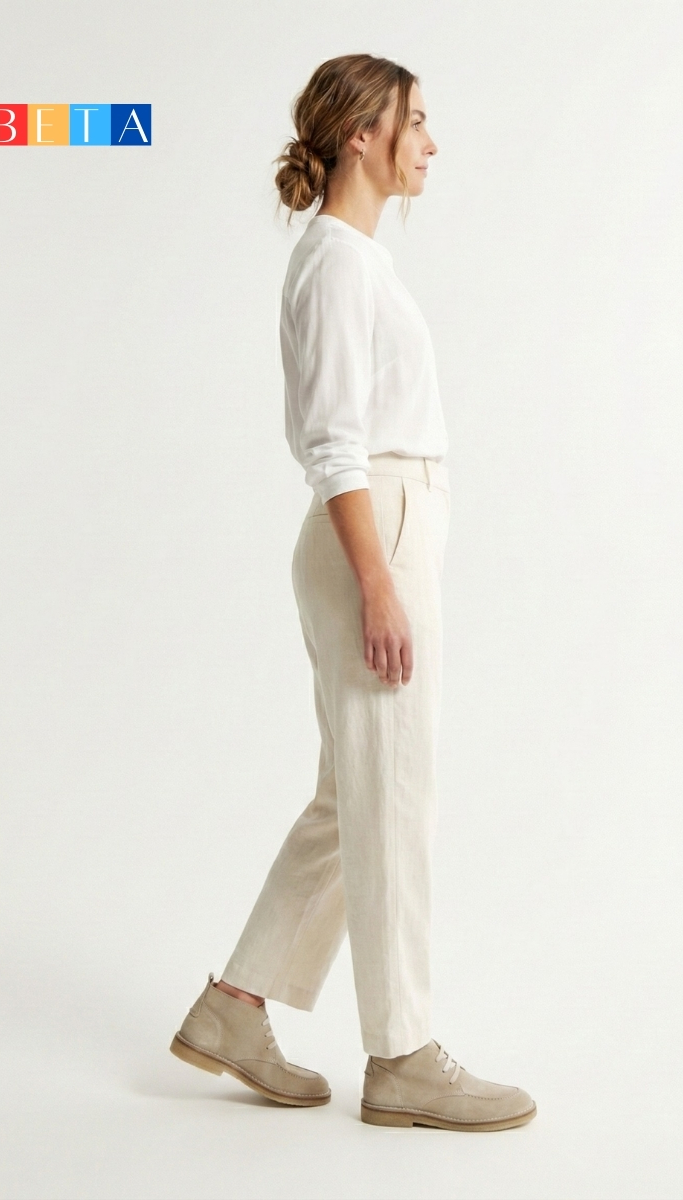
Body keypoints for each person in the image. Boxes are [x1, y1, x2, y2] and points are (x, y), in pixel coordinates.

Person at [169, 53, 536, 1133]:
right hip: (375, 535)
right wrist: (380, 584)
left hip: (383, 532)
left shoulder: (355, 261)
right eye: (416, 121)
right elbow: (335, 445)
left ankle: (235, 1007)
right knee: (395, 800)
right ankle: (403, 1055)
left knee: (352, 800)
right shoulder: (337, 263)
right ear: (363, 134)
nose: (431, 142)